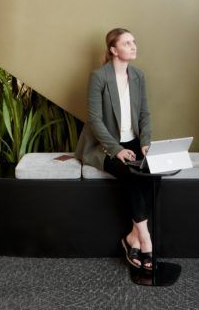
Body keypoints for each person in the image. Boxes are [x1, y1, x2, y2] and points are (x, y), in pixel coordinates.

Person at [75, 28, 154, 272]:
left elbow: (144, 114)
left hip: (133, 142)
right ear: (113, 50)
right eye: (127, 43)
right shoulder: (99, 76)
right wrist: (116, 149)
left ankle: (132, 237)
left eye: (134, 41)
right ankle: (146, 240)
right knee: (131, 175)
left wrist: (146, 142)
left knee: (152, 175)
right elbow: (95, 120)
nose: (133, 46)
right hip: (104, 144)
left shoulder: (138, 75)